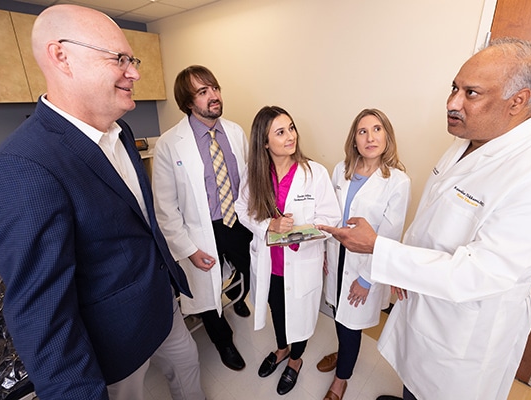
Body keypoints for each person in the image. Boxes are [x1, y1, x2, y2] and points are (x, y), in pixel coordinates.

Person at [320, 37, 531, 400]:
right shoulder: (467, 141)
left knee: (437, 390)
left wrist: (384, 253)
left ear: (517, 101)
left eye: (470, 93)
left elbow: (481, 273)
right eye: (454, 88)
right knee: (413, 381)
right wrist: (401, 267)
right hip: (423, 301)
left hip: (463, 333)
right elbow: (435, 216)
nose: (452, 103)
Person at [0, 5, 205, 400]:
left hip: (163, 304)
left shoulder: (121, 131)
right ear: (61, 56)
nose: (134, 71)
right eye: (119, 58)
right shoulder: (22, 167)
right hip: (115, 340)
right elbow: (43, 320)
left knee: (188, 370)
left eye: (131, 59)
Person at [235, 106, 341, 395]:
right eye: (280, 132)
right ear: (265, 142)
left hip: (302, 261)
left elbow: (331, 219)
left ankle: (295, 361)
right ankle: (281, 350)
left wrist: (298, 232)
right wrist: (269, 225)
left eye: (291, 128)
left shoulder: (314, 173)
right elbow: (241, 209)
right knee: (278, 312)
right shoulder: (255, 173)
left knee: (302, 316)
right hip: (270, 264)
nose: (290, 136)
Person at [152, 65, 251, 371]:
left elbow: (246, 181)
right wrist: (189, 250)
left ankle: (238, 296)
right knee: (205, 289)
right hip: (200, 230)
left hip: (237, 222)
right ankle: (223, 340)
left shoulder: (234, 132)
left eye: (215, 88)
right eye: (203, 91)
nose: (214, 96)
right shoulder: (170, 144)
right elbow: (165, 207)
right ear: (188, 101)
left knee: (247, 268)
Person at [317, 108, 411, 400]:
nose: (370, 137)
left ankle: (341, 379)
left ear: (387, 136)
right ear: (354, 140)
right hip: (336, 257)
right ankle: (344, 352)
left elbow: (390, 236)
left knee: (350, 323)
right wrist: (323, 251)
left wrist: (367, 280)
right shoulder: (340, 170)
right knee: (337, 314)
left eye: (377, 129)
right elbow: (330, 215)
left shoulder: (397, 181)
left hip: (364, 266)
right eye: (362, 131)